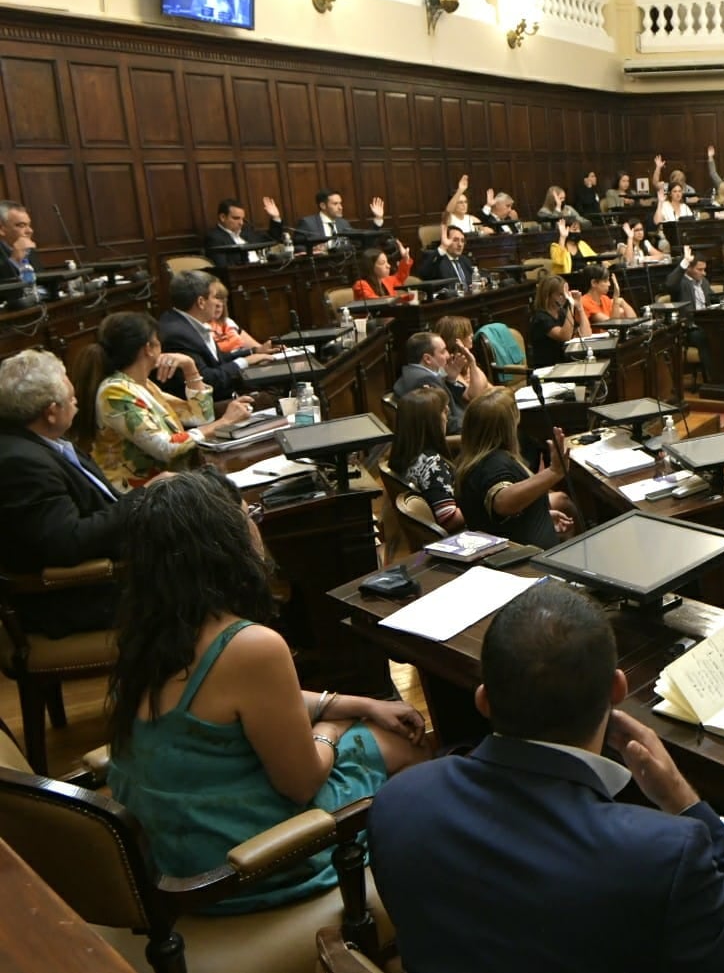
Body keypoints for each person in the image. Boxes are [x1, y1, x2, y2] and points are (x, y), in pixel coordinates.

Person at [367, 580, 724, 973]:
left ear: (483, 700)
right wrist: (685, 802)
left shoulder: (398, 799)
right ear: (617, 691)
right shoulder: (665, 853)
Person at [107, 470, 428, 913]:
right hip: (243, 872)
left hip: (177, 856)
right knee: (410, 749)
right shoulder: (249, 645)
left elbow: (246, 706)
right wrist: (333, 728)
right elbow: (301, 784)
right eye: (249, 515)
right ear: (226, 542)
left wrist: (359, 703)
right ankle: (414, 896)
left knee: (378, 728)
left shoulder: (147, 634)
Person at [0, 349, 137, 637]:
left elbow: (104, 504)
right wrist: (143, 499)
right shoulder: (20, 463)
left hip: (114, 570)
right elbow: (68, 541)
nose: (76, 401)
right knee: (208, 572)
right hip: (79, 597)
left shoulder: (50, 442)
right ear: (51, 412)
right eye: (70, 396)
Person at [71, 311, 251, 490]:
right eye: (158, 341)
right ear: (148, 348)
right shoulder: (114, 392)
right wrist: (225, 422)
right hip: (141, 496)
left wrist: (190, 368)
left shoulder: (143, 385)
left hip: (171, 486)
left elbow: (200, 418)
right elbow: (165, 448)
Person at [454, 388, 571, 548]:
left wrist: (539, 516)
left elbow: (495, 523)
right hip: (526, 564)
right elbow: (502, 502)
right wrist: (554, 472)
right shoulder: (494, 463)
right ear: (509, 425)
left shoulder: (470, 460)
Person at [157, 269, 273, 401]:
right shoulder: (177, 335)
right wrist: (245, 362)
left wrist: (254, 352)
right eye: (215, 297)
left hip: (225, 395)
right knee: (273, 397)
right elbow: (207, 380)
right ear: (201, 302)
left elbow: (216, 360)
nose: (219, 303)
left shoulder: (186, 323)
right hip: (211, 406)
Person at [388, 385, 463, 532]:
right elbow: (449, 519)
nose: (447, 413)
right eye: (442, 410)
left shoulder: (406, 453)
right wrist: (482, 502)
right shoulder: (432, 465)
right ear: (430, 422)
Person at [393, 331, 479, 435]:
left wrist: (451, 379)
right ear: (427, 359)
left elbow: (449, 404)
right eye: (443, 351)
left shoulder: (412, 373)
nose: (448, 355)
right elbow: (448, 424)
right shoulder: (424, 380)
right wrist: (479, 425)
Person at [276, 188, 385, 248]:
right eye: (335, 204)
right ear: (323, 206)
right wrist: (313, 249)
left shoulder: (344, 224)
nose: (340, 207)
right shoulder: (308, 223)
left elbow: (364, 243)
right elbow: (297, 247)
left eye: (340, 203)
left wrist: (378, 220)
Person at [529, 274, 591, 369]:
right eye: (560, 294)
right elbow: (564, 336)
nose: (565, 298)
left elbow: (586, 334)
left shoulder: (562, 313)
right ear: (547, 295)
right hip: (549, 369)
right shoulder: (540, 318)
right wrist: (571, 305)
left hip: (566, 364)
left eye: (565, 294)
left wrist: (580, 307)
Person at [205, 198, 284, 269]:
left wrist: (275, 217)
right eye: (236, 218)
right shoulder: (214, 238)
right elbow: (223, 268)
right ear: (223, 217)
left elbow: (271, 239)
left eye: (242, 219)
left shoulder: (246, 232)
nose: (241, 223)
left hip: (262, 270)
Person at [206, 282, 278, 358]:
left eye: (222, 299)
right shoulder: (200, 329)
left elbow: (259, 349)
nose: (219, 304)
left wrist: (274, 349)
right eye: (215, 298)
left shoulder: (227, 322)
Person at [416, 225, 476, 293]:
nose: (460, 244)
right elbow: (423, 274)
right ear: (445, 241)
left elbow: (474, 279)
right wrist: (442, 247)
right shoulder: (438, 260)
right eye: (455, 240)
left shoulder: (465, 260)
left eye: (462, 241)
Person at [0, 200, 34, 282]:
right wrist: (15, 260)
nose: (30, 230)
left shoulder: (28, 249)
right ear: (1, 229)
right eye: (22, 225)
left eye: (29, 225)